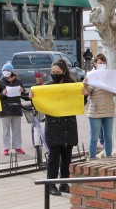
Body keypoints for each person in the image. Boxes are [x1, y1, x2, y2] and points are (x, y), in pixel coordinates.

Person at [29, 59, 80, 196]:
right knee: (54, 156)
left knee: (67, 156)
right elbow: (38, 104)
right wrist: (32, 98)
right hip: (54, 126)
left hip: (68, 125)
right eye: (53, 72)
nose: (55, 74)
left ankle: (64, 183)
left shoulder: (72, 85)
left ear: (64, 72)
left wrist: (84, 95)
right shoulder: (48, 86)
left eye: (57, 72)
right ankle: (51, 184)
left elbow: (80, 102)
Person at [83, 54, 115, 159]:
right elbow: (86, 92)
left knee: (108, 137)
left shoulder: (109, 76)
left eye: (104, 63)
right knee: (94, 138)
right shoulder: (91, 76)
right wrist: (85, 85)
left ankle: (109, 157)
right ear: (95, 64)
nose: (102, 65)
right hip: (95, 112)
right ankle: (92, 159)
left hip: (108, 110)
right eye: (100, 63)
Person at [0, 61, 25, 156]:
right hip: (5, 109)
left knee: (17, 129)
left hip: (16, 108)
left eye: (7, 70)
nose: (5, 72)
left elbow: (24, 95)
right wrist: (2, 94)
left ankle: (17, 147)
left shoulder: (18, 81)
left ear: (12, 71)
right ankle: (6, 147)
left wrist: (22, 91)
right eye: (4, 70)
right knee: (6, 130)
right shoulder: (0, 82)